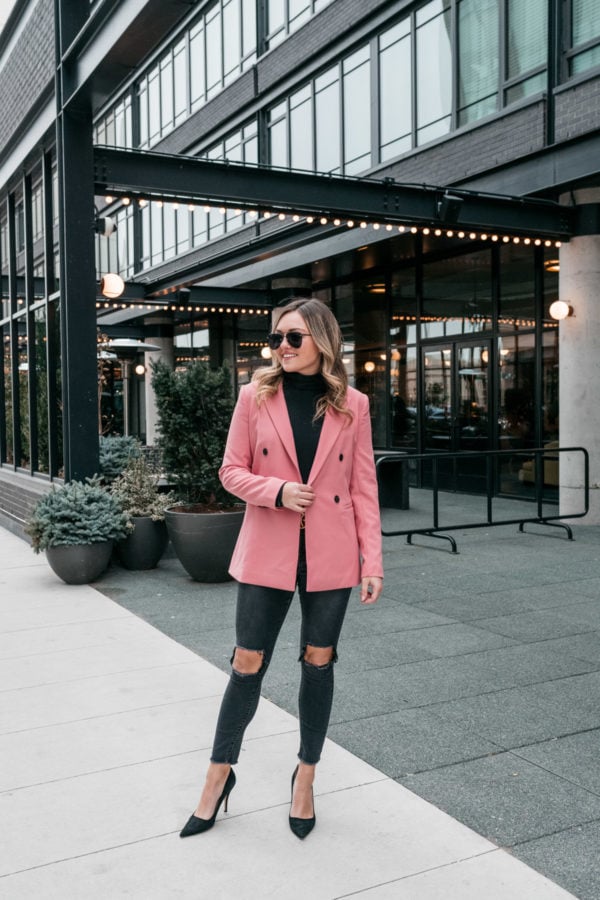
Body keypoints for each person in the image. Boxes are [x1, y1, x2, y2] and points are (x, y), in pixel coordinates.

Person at [180, 296, 383, 841]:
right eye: (276, 338)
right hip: (267, 547)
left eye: (293, 337)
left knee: (319, 660)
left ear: (321, 339)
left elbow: (364, 487)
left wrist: (373, 561)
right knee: (248, 661)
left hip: (333, 553)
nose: (282, 348)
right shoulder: (255, 395)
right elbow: (229, 471)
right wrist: (276, 491)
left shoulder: (353, 405)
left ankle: (306, 778)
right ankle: (217, 777)